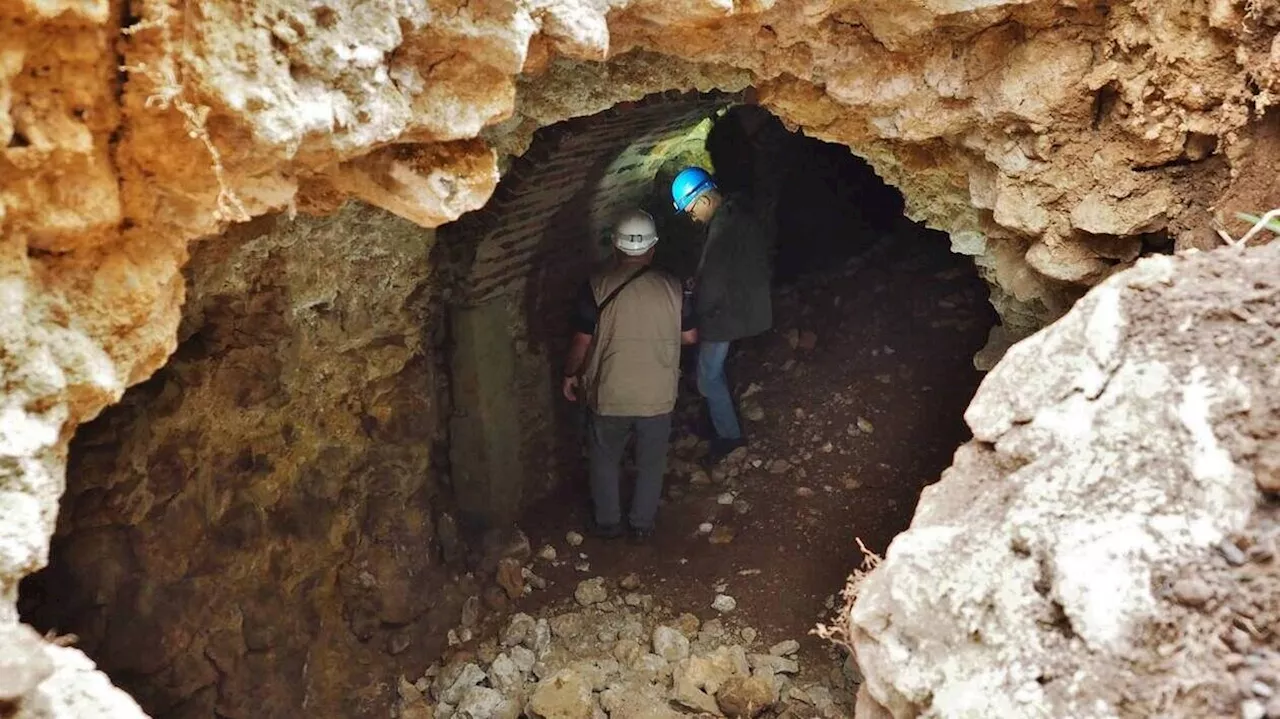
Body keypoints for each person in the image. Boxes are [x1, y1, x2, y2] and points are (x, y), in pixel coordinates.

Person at [562, 210, 698, 543]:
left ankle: (608, 523)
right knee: (651, 463)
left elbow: (582, 341)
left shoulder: (595, 287)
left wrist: (569, 374)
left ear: (615, 247)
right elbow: (690, 337)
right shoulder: (673, 286)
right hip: (657, 393)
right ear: (652, 248)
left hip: (610, 392)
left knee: (605, 459)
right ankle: (642, 524)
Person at [670, 166, 773, 462]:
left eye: (691, 212)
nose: (693, 219)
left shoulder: (722, 228)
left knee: (707, 377)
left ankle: (729, 437)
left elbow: (714, 281)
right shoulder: (735, 215)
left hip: (726, 314)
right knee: (710, 374)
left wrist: (694, 310)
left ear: (703, 201)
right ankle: (717, 423)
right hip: (740, 304)